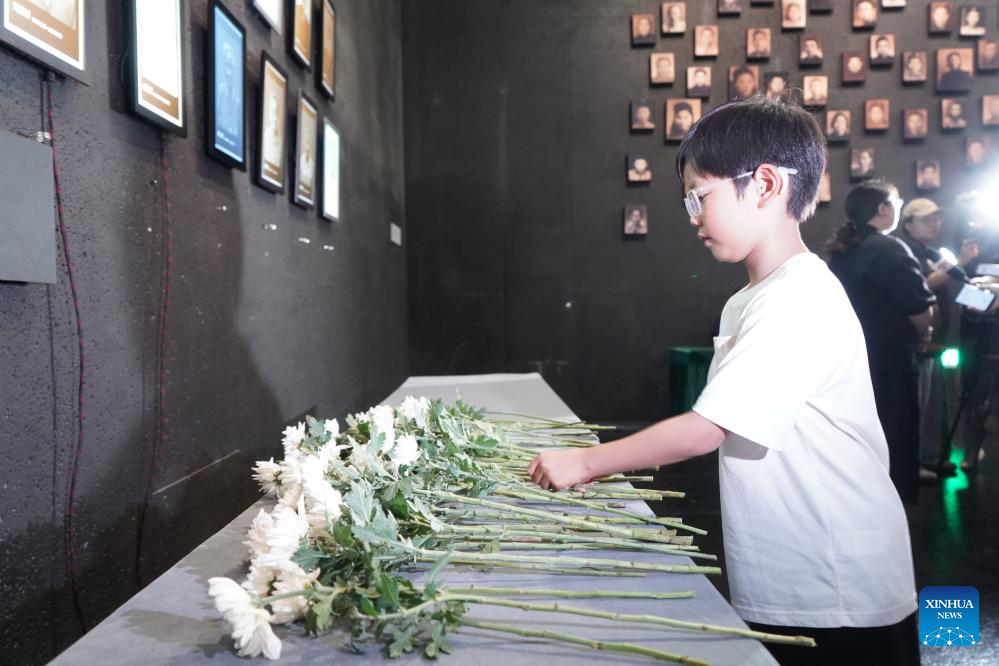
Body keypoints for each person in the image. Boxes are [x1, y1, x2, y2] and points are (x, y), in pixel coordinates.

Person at [528, 97, 919, 666]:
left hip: (836, 581)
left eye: (700, 196)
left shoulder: (798, 296)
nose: (692, 216)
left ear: (765, 185)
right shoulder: (752, 298)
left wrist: (586, 462)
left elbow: (707, 428)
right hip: (797, 566)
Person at [827, 180, 936, 506]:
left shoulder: (843, 250)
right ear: (883, 208)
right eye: (896, 203)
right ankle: (892, 505)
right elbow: (919, 309)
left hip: (850, 360)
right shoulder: (890, 249)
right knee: (895, 432)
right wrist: (926, 334)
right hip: (890, 358)